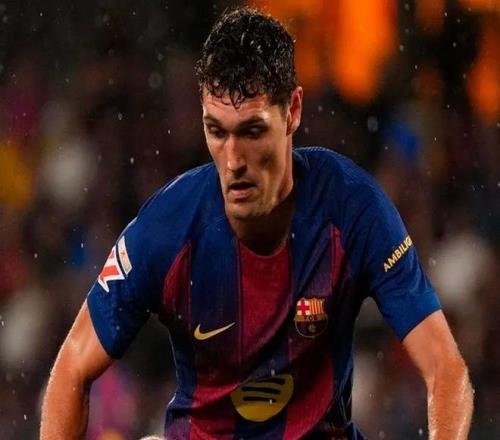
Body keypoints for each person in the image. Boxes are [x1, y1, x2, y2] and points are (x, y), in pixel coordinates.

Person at [40, 7, 473, 440]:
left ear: (293, 110)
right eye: (217, 131)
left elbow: (445, 368)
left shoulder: (353, 207)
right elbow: (72, 367)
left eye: (251, 131)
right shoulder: (167, 227)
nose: (233, 161)